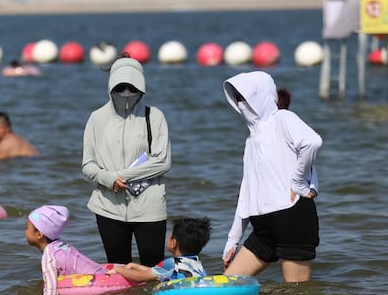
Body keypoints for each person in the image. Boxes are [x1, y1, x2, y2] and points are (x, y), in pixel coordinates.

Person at [222, 71, 322, 283]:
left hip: (292, 220)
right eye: (237, 98)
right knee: (227, 284)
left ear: (260, 97)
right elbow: (246, 191)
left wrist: (297, 181)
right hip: (263, 229)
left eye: (245, 98)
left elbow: (312, 142)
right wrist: (232, 239)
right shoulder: (250, 140)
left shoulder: (283, 119)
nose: (241, 104)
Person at [82, 56, 172, 266]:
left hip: (149, 206)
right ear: (111, 86)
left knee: (153, 270)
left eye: (132, 88)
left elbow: (163, 161)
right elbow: (87, 163)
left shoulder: (154, 116)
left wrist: (121, 176)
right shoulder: (97, 118)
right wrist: (108, 179)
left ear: (141, 87)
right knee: (117, 270)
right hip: (107, 206)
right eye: (120, 87)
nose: (126, 93)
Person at [25, 204, 105, 295]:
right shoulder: (61, 245)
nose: (25, 231)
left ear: (39, 234)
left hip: (96, 284)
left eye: (27, 228)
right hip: (101, 274)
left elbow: (51, 293)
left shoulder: (49, 256)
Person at [109, 217, 211, 283]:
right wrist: (134, 265)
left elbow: (139, 277)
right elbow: (157, 271)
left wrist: (119, 269)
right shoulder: (196, 263)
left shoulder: (172, 263)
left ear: (173, 243)